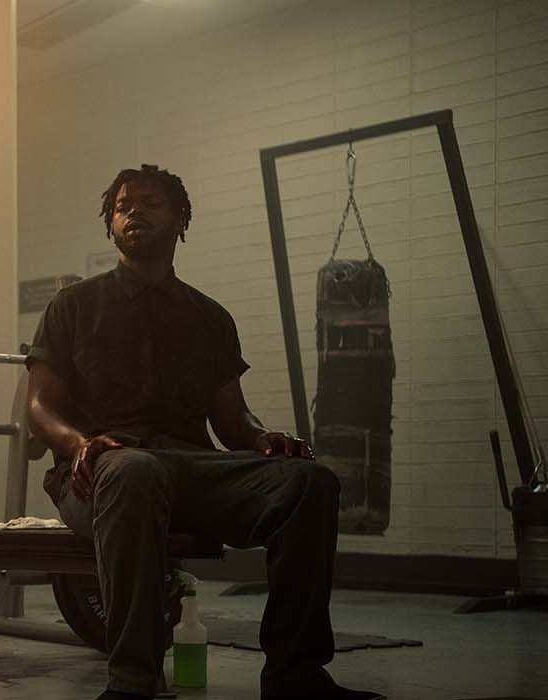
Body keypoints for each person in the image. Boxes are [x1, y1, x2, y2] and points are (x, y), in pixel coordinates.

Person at [25, 165, 383, 700]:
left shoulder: (209, 317)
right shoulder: (73, 307)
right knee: (134, 470)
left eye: (150, 203)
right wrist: (78, 444)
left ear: (181, 220)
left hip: (190, 468)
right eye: (123, 206)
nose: (134, 213)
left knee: (310, 483)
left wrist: (266, 442)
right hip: (100, 474)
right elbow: (39, 404)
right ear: (110, 224)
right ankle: (132, 684)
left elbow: (234, 423)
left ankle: (296, 677)